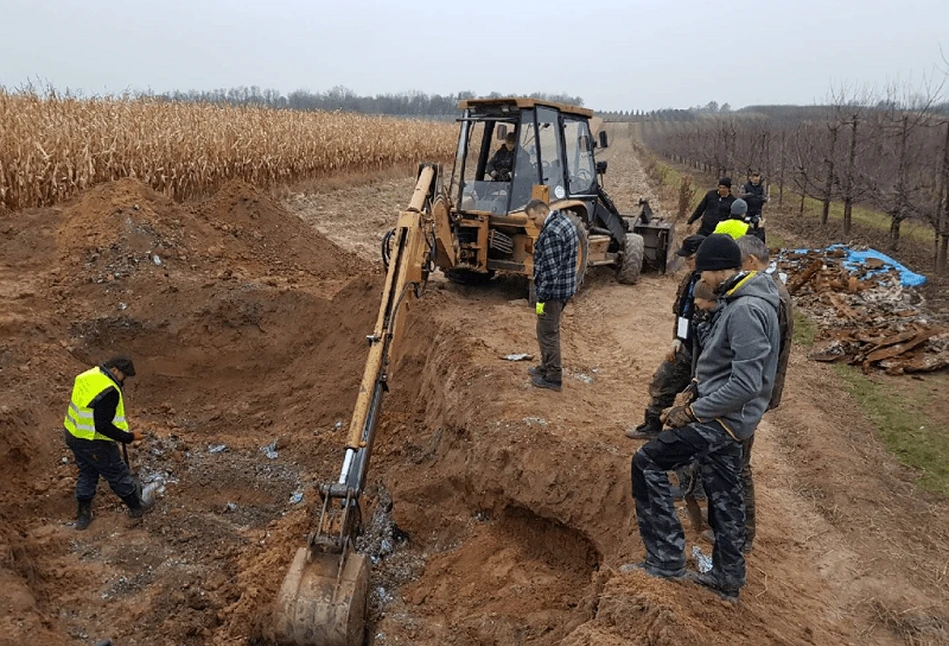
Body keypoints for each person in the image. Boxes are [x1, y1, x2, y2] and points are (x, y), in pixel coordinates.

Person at [624, 234, 780, 602]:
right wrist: (697, 385)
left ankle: (665, 560)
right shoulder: (743, 300)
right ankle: (728, 578)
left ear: (715, 268)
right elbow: (727, 364)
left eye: (701, 271)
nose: (700, 279)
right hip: (730, 420)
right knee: (725, 496)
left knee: (646, 462)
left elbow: (745, 383)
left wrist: (693, 411)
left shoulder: (745, 310)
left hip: (722, 422)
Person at [626, 234, 705, 439]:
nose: (687, 262)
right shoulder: (690, 279)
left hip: (704, 351)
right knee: (662, 381)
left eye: (690, 258)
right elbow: (683, 311)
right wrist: (678, 338)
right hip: (685, 344)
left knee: (696, 397)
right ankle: (652, 425)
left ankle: (687, 439)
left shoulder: (712, 285)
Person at [63, 356, 152, 529]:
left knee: (87, 473)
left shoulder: (89, 375)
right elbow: (102, 426)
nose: (124, 381)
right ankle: (137, 506)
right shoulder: (109, 391)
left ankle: (83, 515)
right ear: (116, 370)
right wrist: (129, 437)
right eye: (124, 376)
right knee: (117, 473)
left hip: (74, 434)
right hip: (94, 441)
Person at [527, 199, 579, 392]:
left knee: (548, 332)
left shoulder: (552, 233)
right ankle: (545, 366)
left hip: (551, 294)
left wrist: (541, 296)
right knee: (543, 328)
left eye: (534, 219)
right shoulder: (563, 222)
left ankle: (553, 377)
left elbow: (550, 271)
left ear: (543, 212)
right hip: (561, 291)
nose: (533, 223)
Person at [740, 172, 768, 240]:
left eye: (757, 180)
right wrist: (747, 195)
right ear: (751, 179)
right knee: (745, 227)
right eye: (755, 180)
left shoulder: (761, 187)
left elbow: (765, 197)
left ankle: (759, 241)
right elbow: (741, 196)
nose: (756, 182)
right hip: (747, 211)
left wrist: (763, 199)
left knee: (759, 228)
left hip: (757, 210)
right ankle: (743, 240)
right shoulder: (745, 186)